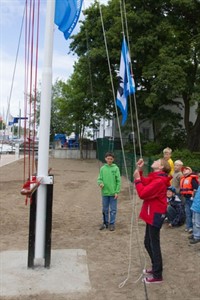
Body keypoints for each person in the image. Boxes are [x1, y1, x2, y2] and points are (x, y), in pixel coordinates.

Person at [133, 158, 171, 284]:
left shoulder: (159, 181)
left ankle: (157, 275)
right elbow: (145, 181)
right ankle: (155, 268)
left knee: (153, 244)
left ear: (161, 167)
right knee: (147, 242)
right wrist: (140, 171)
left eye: (157, 161)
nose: (154, 160)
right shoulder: (156, 177)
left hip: (155, 214)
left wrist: (137, 179)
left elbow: (142, 193)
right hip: (152, 213)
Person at [97, 152, 121, 231]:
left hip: (113, 193)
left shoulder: (116, 168)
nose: (109, 160)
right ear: (105, 159)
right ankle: (105, 222)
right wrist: (100, 183)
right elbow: (99, 178)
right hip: (105, 193)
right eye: (108, 159)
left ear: (113, 159)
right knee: (105, 209)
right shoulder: (102, 168)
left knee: (113, 210)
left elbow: (118, 181)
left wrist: (117, 191)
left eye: (111, 159)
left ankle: (112, 223)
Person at [180, 166, 199, 233]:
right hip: (186, 198)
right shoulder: (183, 179)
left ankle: (193, 228)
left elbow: (196, 189)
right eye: (183, 170)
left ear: (190, 171)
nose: (184, 171)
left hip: (192, 199)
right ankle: (189, 226)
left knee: (192, 213)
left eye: (186, 169)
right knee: (188, 213)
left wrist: (194, 197)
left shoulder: (193, 179)